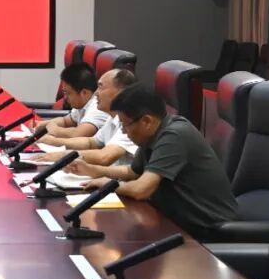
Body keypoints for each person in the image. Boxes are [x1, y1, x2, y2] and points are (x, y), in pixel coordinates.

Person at [73, 84, 237, 239]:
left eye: (125, 125)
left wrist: (109, 185)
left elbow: (141, 189)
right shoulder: (152, 134)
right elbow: (133, 172)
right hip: (174, 222)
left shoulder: (174, 136)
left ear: (146, 121)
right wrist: (94, 170)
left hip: (204, 230)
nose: (123, 131)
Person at [34, 68, 139, 166]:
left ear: (120, 93)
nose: (96, 93)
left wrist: (63, 156)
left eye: (101, 87)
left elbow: (104, 156)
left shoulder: (131, 121)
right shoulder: (113, 117)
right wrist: (52, 141)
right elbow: (91, 142)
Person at [38, 63, 109, 140]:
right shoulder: (82, 103)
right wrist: (42, 124)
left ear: (84, 93)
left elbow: (78, 134)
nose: (65, 98)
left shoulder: (98, 108)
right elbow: (65, 121)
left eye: (68, 93)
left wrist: (56, 130)